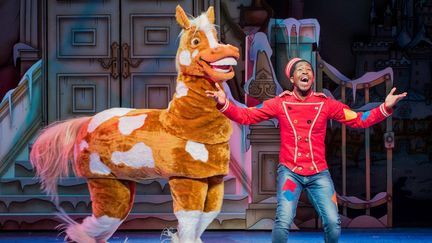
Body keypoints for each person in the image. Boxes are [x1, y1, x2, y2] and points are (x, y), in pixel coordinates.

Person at [206, 57, 407, 243]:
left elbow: (358, 119)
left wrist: (385, 108)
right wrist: (224, 103)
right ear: (292, 78)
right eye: (300, 70)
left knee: (333, 225)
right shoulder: (280, 103)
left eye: (309, 70)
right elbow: (246, 116)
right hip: (290, 173)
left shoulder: (325, 104)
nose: (305, 72)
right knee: (283, 222)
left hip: (319, 174)